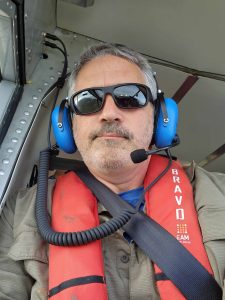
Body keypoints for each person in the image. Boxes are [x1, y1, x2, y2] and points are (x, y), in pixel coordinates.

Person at [0, 43, 225, 300]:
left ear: (161, 116)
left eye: (130, 97)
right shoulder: (20, 212)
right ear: (66, 123)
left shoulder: (219, 194)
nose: (109, 113)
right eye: (88, 100)